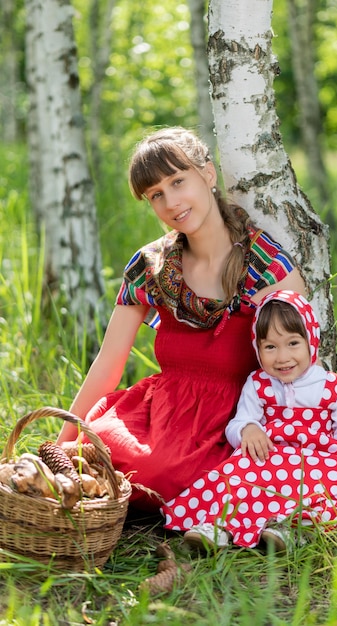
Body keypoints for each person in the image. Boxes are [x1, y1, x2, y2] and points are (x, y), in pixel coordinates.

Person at [56, 127, 307, 511]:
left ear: (208, 174)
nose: (171, 202)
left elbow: (302, 371)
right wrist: (60, 446)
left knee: (161, 472)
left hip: (236, 422)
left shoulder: (268, 268)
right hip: (162, 414)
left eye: (178, 181)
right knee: (97, 446)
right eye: (157, 194)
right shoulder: (151, 267)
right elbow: (108, 365)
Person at [162, 290, 337, 550]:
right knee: (235, 476)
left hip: (317, 464)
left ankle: (292, 529)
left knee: (333, 484)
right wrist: (247, 429)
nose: (282, 357)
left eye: (293, 343)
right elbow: (239, 422)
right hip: (268, 461)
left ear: (311, 341)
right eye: (270, 347)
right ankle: (220, 526)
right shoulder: (258, 383)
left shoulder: (333, 387)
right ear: (258, 348)